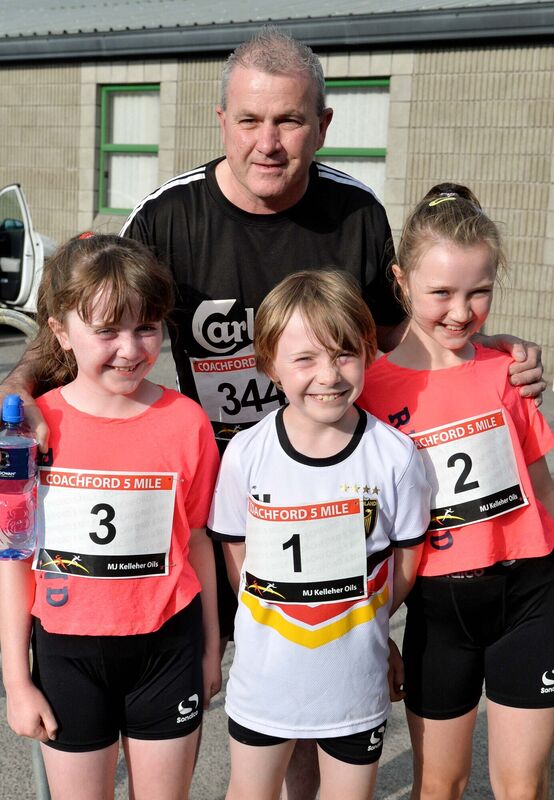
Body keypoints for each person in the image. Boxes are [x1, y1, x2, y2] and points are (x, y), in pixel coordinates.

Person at [0, 26, 545, 800]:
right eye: (250, 120)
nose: (269, 141)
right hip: (208, 483)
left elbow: (407, 342)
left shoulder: (354, 215)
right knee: (254, 698)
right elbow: (95, 318)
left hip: (323, 480)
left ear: (323, 127)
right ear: (221, 120)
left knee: (311, 686)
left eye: (290, 120)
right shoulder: (168, 215)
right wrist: (17, 390)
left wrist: (495, 350)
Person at [0, 234, 221, 800]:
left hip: (167, 647)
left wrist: (211, 648)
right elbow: (13, 560)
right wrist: (17, 681)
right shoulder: (32, 429)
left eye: (146, 327)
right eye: (106, 331)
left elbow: (197, 540)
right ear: (60, 333)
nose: (130, 348)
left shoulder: (186, 422)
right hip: (68, 653)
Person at [358, 184, 554, 800]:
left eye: (480, 292)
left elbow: (541, 487)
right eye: (440, 292)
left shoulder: (507, 372)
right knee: (440, 783)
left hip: (531, 592)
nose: (461, 311)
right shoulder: (370, 391)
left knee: (522, 784)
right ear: (401, 280)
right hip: (438, 606)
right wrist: (373, 622)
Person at [208, 270, 431, 800]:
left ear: (368, 353)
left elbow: (406, 555)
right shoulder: (246, 454)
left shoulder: (395, 457)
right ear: (269, 366)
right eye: (305, 358)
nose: (329, 375)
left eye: (345, 354)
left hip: (355, 689)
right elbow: (235, 552)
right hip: (265, 684)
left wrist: (369, 619)